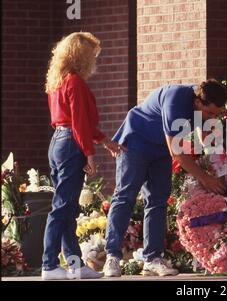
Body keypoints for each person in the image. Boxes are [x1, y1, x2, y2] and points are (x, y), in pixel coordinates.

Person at [103, 80, 227, 277]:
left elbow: (206, 138)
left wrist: (221, 167)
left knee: (158, 200)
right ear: (198, 103)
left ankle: (152, 259)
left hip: (160, 149)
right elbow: (176, 152)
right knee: (125, 197)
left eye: (216, 114)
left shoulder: (204, 104)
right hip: (135, 143)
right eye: (210, 113)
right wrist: (205, 178)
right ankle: (112, 257)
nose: (212, 117)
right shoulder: (175, 99)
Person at [42, 32, 124, 280]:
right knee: (62, 207)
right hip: (70, 144)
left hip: (58, 141)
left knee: (67, 207)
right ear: (82, 56)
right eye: (92, 55)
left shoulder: (58, 81)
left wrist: (105, 140)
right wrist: (89, 154)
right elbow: (79, 123)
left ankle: (75, 265)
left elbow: (78, 122)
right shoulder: (75, 82)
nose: (94, 60)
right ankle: (49, 265)